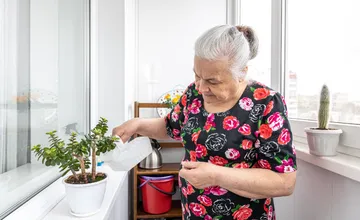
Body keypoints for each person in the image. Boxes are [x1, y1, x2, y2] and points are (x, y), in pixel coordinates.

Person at [113, 25, 297, 220]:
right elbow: (170, 126)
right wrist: (137, 124)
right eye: (197, 75)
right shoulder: (194, 93)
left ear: (242, 72)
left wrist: (216, 176)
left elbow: (284, 182)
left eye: (213, 81)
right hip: (193, 213)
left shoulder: (266, 102)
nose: (202, 87)